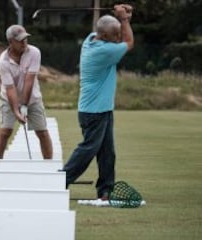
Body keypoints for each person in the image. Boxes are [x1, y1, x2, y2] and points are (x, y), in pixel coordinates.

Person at [62, 4, 134, 200]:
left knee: (107, 153)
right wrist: (124, 20)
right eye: (115, 35)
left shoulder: (90, 40)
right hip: (94, 112)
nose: (118, 38)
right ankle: (59, 181)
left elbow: (113, 31)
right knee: (88, 149)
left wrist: (121, 18)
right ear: (103, 36)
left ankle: (105, 191)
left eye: (118, 34)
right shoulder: (103, 52)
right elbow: (129, 42)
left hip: (101, 109)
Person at [0, 25, 53, 167]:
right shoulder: (3, 61)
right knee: (5, 132)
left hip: (33, 99)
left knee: (42, 132)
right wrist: (16, 110)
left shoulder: (34, 52)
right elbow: (10, 88)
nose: (24, 42)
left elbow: (29, 80)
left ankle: (49, 166)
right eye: (20, 40)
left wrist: (24, 106)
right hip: (8, 99)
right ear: (10, 42)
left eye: (25, 39)